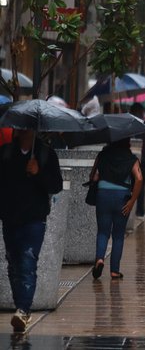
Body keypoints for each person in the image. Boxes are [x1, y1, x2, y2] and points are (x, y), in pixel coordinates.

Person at [0, 130, 63, 333]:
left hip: (34, 220)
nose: (24, 129)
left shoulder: (46, 154)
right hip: (10, 219)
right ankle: (21, 308)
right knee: (14, 265)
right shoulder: (6, 152)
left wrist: (38, 173)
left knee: (27, 262)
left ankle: (23, 309)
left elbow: (57, 185)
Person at [90, 138, 143, 280]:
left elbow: (94, 177)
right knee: (118, 235)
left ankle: (100, 259)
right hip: (122, 198)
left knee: (103, 232)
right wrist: (132, 201)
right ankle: (114, 271)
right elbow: (139, 178)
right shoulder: (131, 158)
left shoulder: (102, 155)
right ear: (127, 143)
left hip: (103, 196)